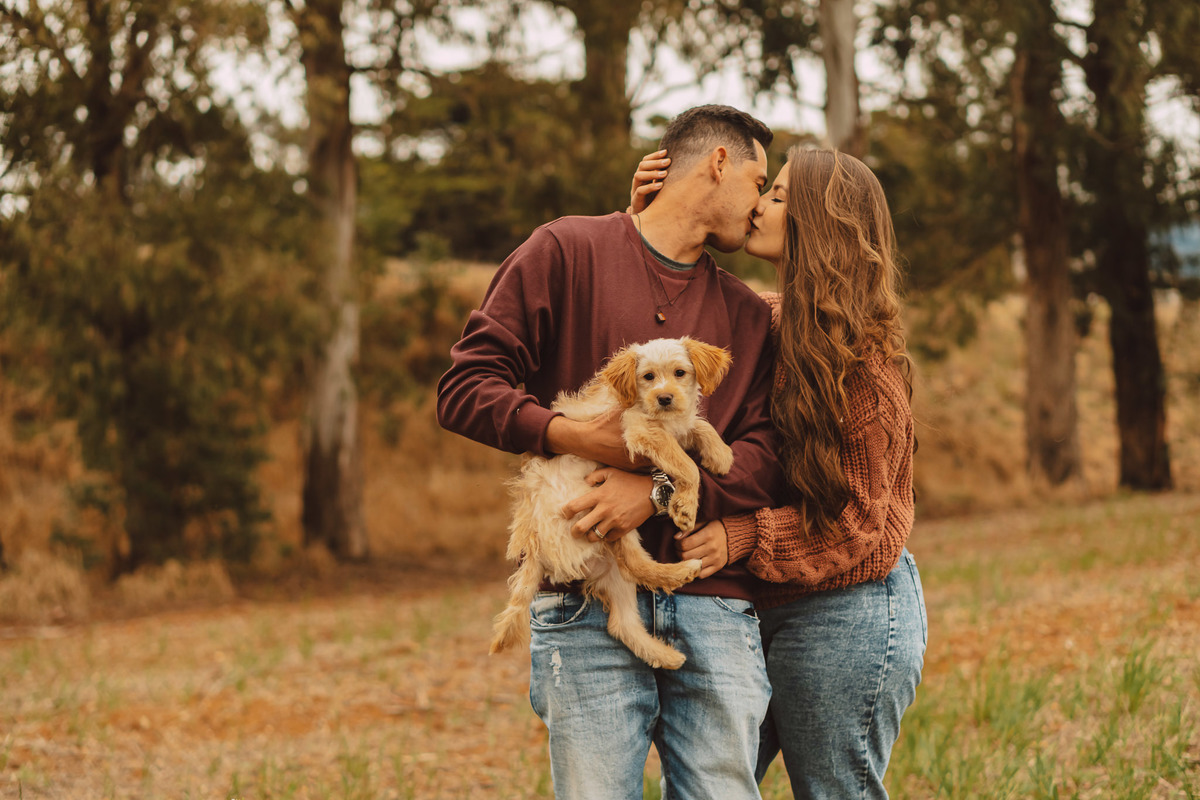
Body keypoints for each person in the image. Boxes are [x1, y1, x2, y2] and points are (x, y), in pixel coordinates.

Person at [437, 105, 788, 800]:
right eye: (759, 179)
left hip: (713, 603)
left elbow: (769, 456)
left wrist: (654, 492)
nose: (759, 204)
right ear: (718, 164)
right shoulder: (563, 252)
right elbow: (465, 388)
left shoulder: (748, 315)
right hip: (584, 606)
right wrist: (573, 435)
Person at [632, 145, 926, 799]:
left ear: (824, 224)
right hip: (757, 609)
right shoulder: (759, 318)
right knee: (709, 785)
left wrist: (742, 537)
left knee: (832, 790)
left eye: (781, 194)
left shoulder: (862, 369)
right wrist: (648, 220)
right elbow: (659, 327)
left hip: (849, 609)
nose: (760, 203)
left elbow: (859, 527)